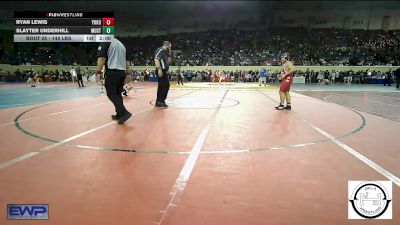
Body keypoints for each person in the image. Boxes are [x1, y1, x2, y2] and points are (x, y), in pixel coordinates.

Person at [96, 37, 132, 124]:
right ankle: (119, 113)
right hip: (121, 73)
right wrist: (128, 74)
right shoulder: (121, 44)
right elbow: (127, 61)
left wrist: (98, 71)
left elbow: (102, 58)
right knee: (117, 94)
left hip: (112, 72)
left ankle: (124, 113)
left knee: (111, 94)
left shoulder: (105, 41)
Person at [154, 41, 172, 108]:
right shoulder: (160, 50)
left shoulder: (165, 53)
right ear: (167, 46)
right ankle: (161, 101)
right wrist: (159, 69)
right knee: (165, 85)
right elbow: (156, 59)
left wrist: (169, 54)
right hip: (161, 70)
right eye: (169, 47)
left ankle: (158, 102)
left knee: (162, 86)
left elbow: (168, 62)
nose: (170, 48)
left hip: (164, 71)